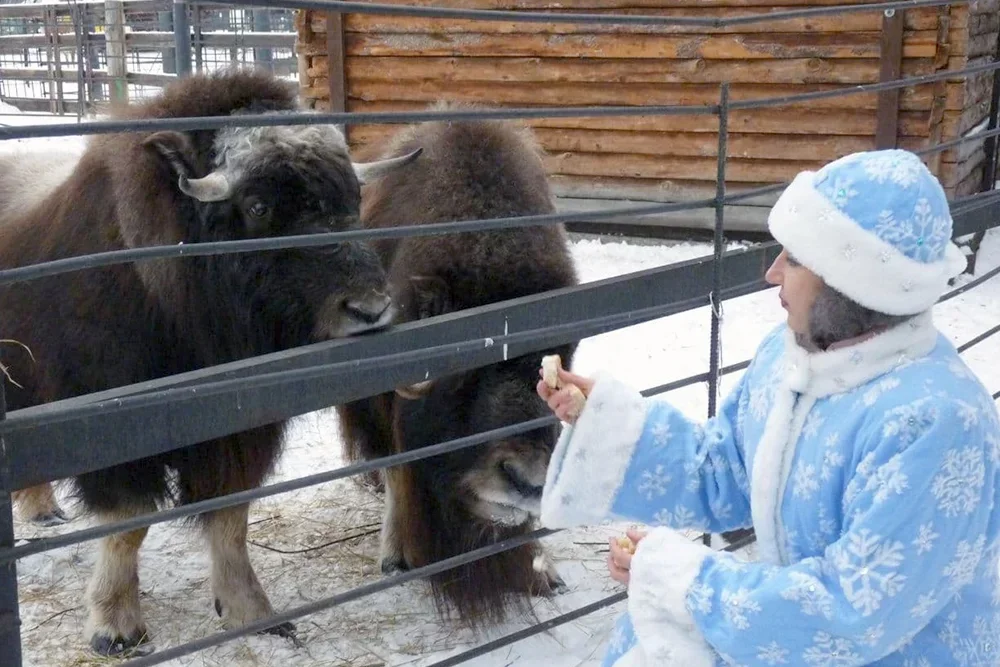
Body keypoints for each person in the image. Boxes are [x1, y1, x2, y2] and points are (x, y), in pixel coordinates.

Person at [537, 149, 1000, 667]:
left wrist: (687, 581)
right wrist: (602, 419)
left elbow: (851, 614)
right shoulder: (792, 359)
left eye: (795, 258)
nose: (771, 272)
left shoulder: (937, 423)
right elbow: (729, 469)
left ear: (853, 284)